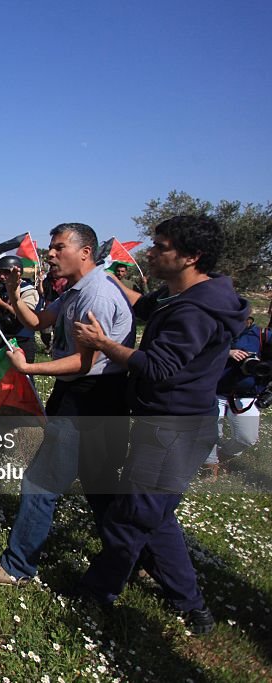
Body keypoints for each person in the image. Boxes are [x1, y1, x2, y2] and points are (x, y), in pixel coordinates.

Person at [72, 214, 248, 633]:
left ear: (191, 256)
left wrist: (103, 345)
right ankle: (190, 602)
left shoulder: (197, 311)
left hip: (175, 429)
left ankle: (98, 591)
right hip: (166, 425)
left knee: (129, 516)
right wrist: (103, 278)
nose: (151, 252)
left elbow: (158, 367)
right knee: (156, 516)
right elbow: (143, 303)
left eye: (161, 246)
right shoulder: (176, 295)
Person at [0, 223, 135, 586]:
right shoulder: (78, 290)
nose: (50, 254)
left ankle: (16, 566)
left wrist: (29, 368)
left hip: (91, 397)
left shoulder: (98, 296)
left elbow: (84, 362)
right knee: (100, 484)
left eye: (59, 247)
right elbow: (38, 319)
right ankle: (133, 555)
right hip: (81, 395)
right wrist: (14, 292)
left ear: (85, 252)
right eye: (50, 247)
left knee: (41, 482)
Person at [202, 315, 266, 477]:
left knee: (247, 437)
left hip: (247, 395)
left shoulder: (261, 336)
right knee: (212, 433)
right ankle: (209, 469)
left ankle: (220, 457)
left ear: (249, 319)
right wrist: (227, 352)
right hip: (215, 392)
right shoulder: (215, 332)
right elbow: (198, 351)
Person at [0, 255, 40, 369]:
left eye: (6, 272)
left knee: (24, 380)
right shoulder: (0, 290)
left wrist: (2, 304)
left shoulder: (28, 291)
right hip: (4, 339)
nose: (2, 276)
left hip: (22, 341)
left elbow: (27, 315)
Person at [37, 264, 67, 353]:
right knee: (44, 331)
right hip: (48, 308)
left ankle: (56, 349)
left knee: (59, 331)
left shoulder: (65, 281)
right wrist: (41, 281)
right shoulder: (47, 280)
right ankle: (48, 345)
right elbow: (42, 292)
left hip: (61, 309)